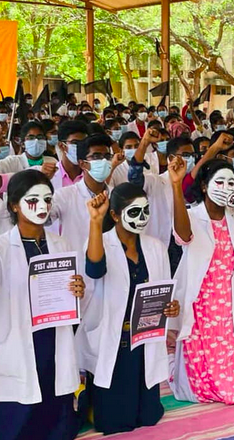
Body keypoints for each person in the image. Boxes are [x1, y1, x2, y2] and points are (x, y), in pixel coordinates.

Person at [77, 177, 182, 435]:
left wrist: (171, 308)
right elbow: (94, 269)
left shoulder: (155, 247)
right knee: (114, 421)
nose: (143, 217)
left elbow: (164, 290)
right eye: (135, 212)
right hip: (112, 335)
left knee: (148, 416)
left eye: (146, 211)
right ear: (114, 214)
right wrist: (94, 221)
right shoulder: (99, 244)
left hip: (144, 335)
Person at [0, 170, 85, 440]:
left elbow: (73, 298)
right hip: (15, 340)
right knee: (15, 423)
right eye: (33, 201)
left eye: (47, 199)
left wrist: (78, 289)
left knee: (54, 412)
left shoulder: (60, 243)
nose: (42, 207)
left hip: (52, 337)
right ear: (14, 205)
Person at [170, 159, 234, 403]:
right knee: (198, 355)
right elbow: (183, 236)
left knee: (230, 385)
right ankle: (198, 386)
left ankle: (224, 386)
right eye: (220, 182)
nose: (226, 188)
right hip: (199, 300)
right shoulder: (193, 216)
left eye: (231, 183)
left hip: (230, 298)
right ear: (205, 187)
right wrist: (176, 186)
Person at [49, 134, 114, 251]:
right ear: (82, 163)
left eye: (107, 156)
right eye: (96, 156)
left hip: (113, 264)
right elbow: (43, 219)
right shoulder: (64, 196)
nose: (103, 161)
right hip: (78, 262)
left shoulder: (116, 194)